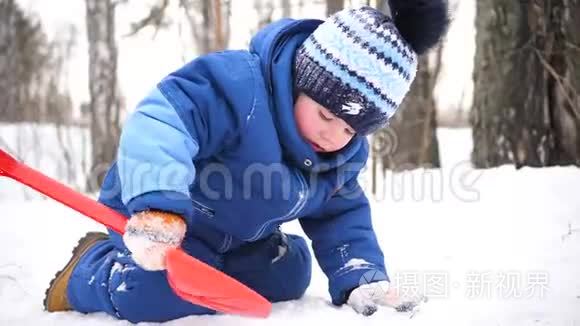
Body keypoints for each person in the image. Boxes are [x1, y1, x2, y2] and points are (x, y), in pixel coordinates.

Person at [44, 1, 449, 323]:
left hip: (237, 238)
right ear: (301, 80)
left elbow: (341, 213)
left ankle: (216, 269)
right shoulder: (238, 88)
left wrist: (362, 276)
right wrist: (158, 205)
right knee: (152, 294)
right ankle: (88, 270)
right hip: (158, 218)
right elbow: (161, 122)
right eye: (326, 116)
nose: (333, 136)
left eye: (350, 130)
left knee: (289, 274)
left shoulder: (339, 155)